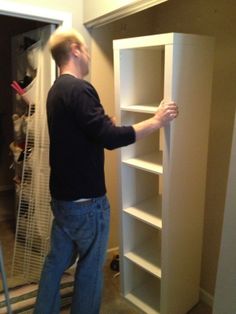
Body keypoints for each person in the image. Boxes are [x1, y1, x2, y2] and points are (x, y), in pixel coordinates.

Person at [33, 27, 178, 314]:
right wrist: (157, 120)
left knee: (55, 263)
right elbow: (112, 139)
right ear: (75, 49)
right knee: (89, 270)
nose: (89, 55)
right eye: (86, 49)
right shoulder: (80, 88)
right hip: (87, 204)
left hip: (62, 201)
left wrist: (104, 127)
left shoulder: (56, 90)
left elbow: (85, 133)